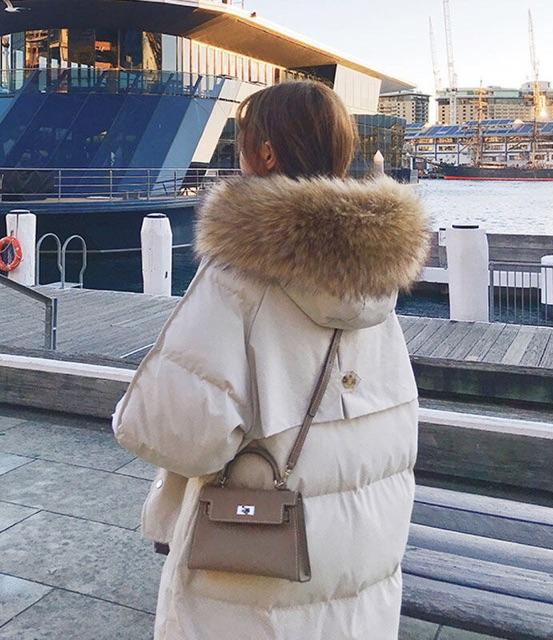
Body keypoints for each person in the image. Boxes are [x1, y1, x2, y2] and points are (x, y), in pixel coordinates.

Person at [112, 80, 430, 640]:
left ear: (265, 153)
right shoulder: (379, 284)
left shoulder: (241, 273)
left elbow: (173, 431)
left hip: (258, 575)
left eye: (242, 140)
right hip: (362, 553)